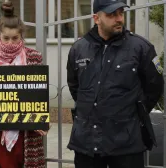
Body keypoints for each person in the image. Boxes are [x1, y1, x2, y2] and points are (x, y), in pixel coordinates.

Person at [66, 0, 164, 167]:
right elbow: (75, 86)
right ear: (96, 18)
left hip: (126, 144)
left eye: (121, 13)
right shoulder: (79, 49)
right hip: (87, 143)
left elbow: (154, 86)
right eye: (112, 15)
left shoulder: (141, 48)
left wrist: (130, 114)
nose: (119, 19)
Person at [0, 2, 47, 168]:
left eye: (15, 38)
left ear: (21, 36)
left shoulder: (33, 57)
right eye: (5, 38)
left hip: (25, 135)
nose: (10, 43)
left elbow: (37, 92)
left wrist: (41, 119)